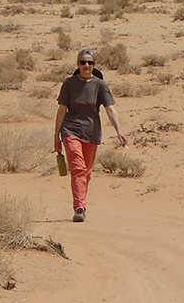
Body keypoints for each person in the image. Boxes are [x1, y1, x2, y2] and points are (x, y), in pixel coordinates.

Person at [54, 48, 129, 222]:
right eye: (83, 62)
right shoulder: (69, 84)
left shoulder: (100, 85)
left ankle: (82, 203)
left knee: (86, 173)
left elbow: (110, 109)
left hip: (92, 132)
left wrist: (119, 131)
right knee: (78, 168)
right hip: (70, 130)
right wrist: (56, 136)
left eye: (90, 62)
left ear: (94, 65)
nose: (86, 65)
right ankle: (79, 208)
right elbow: (61, 110)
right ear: (78, 64)